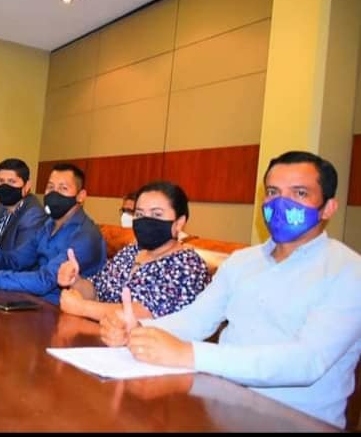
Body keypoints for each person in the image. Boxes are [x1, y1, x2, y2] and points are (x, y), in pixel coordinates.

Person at [100, 151, 361, 429]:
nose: (281, 203)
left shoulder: (349, 271)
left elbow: (308, 361)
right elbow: (197, 319)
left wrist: (189, 354)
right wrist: (138, 329)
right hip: (219, 407)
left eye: (299, 193)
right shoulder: (242, 261)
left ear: (328, 208)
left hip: (297, 421)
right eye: (273, 192)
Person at [0, 163, 106, 305]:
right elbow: (16, 261)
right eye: (50, 187)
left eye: (63, 188)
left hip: (64, 312)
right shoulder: (48, 225)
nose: (54, 193)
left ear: (81, 196)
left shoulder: (86, 236)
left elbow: (45, 280)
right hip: (33, 303)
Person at [59, 181, 209, 322]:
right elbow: (95, 291)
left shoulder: (188, 265)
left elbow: (145, 314)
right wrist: (76, 280)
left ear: (179, 223)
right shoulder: (130, 252)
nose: (146, 221)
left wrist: (82, 308)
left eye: (157, 214)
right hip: (103, 335)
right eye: (139, 214)